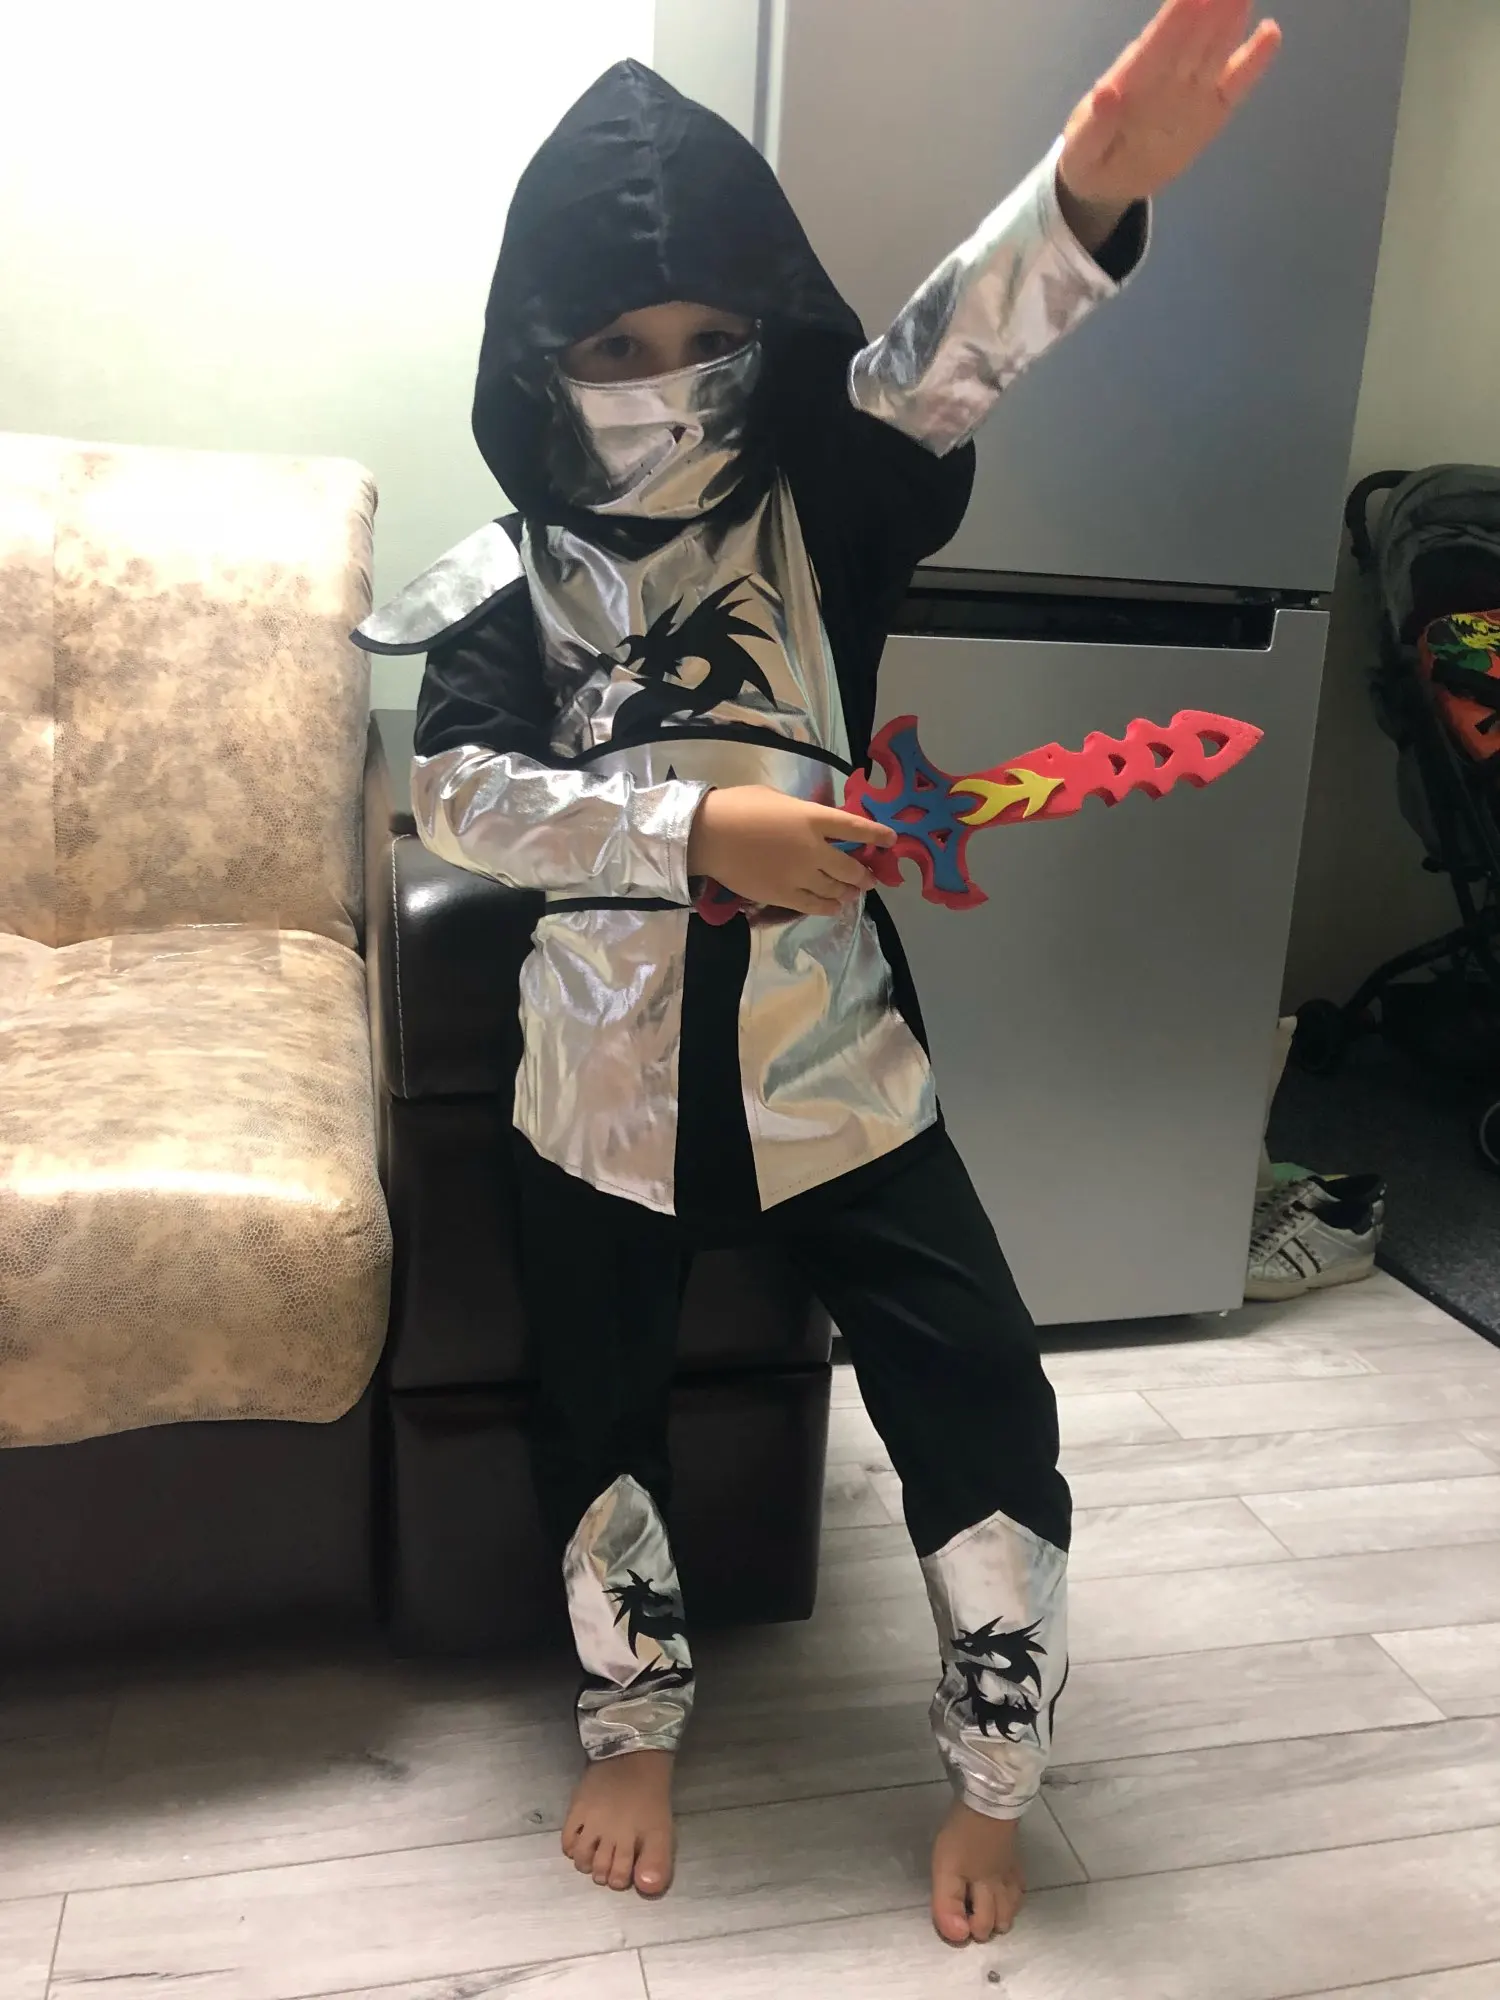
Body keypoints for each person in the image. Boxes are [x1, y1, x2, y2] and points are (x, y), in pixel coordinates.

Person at [359, 0, 1281, 1946]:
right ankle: (630, 1720)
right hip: (592, 1096)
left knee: (980, 1386)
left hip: (840, 1069)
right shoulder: (505, 579)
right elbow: (455, 793)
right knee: (593, 1404)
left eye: (709, 334)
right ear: (542, 357)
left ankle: (996, 1767)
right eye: (619, 346)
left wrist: (1082, 197)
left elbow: (942, 358)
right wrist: (697, 830)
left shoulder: (825, 501)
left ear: (764, 332)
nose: (668, 379)